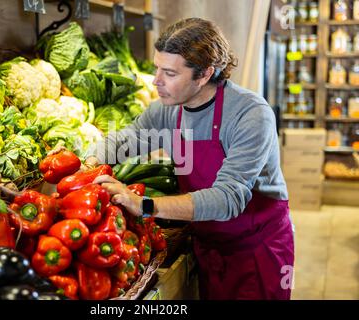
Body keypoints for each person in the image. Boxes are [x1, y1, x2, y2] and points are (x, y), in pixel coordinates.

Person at [86, 18, 294, 300]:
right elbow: (124, 141)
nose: (156, 81)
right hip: (208, 245)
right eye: (157, 68)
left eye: (169, 73)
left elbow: (228, 199)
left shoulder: (250, 114)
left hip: (256, 250)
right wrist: (86, 163)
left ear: (205, 74)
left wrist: (144, 205)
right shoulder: (168, 111)